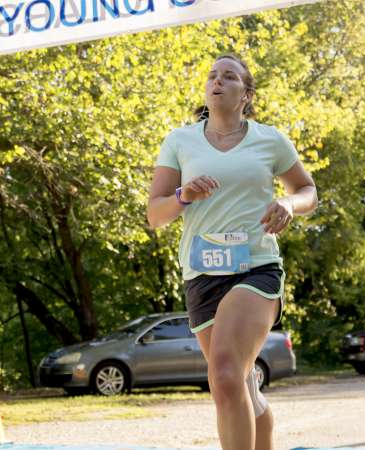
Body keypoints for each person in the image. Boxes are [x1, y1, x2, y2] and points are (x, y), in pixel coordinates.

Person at [147, 54, 318, 450]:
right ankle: (253, 395)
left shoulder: (269, 139)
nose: (217, 81)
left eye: (229, 76)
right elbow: (155, 215)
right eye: (212, 76)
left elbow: (307, 190)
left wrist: (290, 205)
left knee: (224, 375)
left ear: (246, 94)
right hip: (201, 275)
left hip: (255, 269)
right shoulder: (180, 141)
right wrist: (183, 195)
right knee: (237, 383)